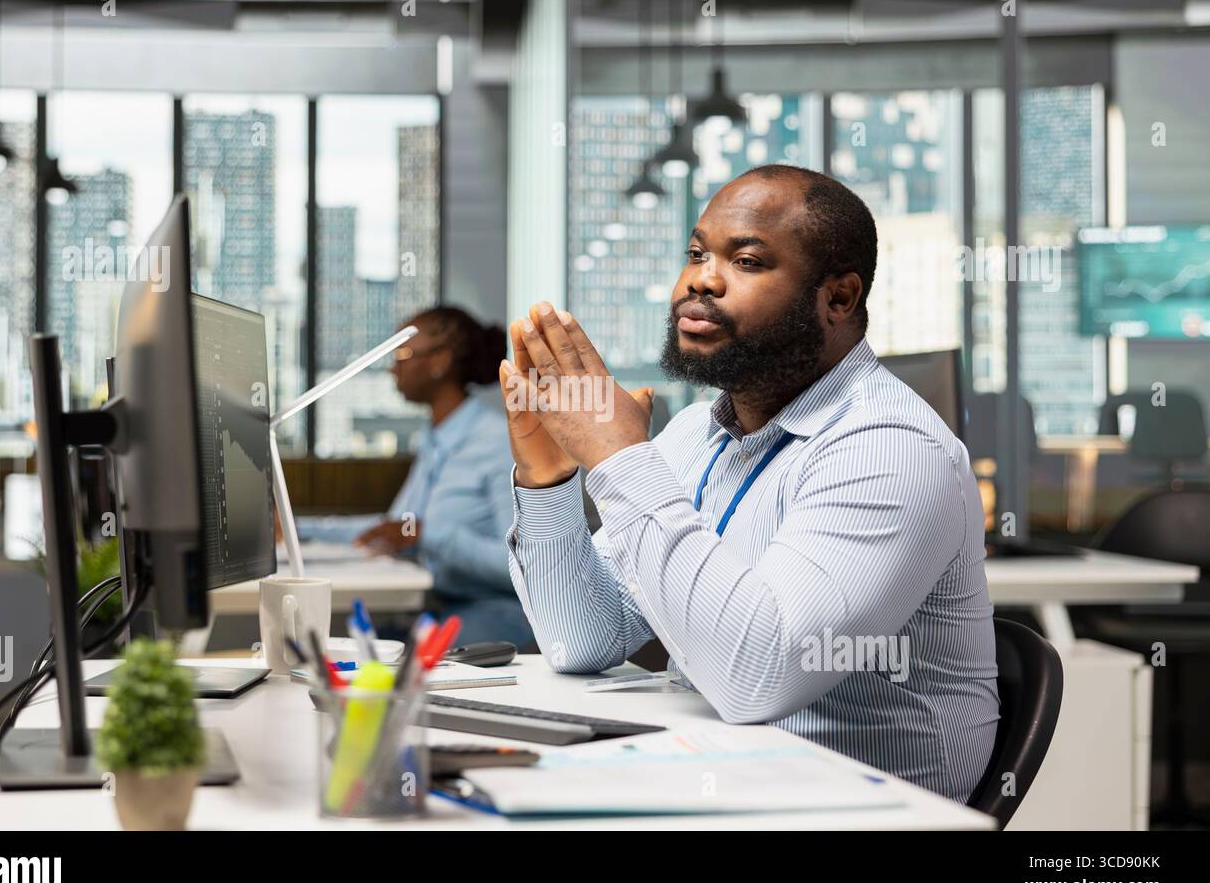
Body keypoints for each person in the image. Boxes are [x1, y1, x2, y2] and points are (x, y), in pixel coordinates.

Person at [498, 164, 998, 801]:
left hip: (849, 811)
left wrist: (620, 456)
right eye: (698, 252)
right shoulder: (693, 436)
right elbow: (583, 638)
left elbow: (758, 675)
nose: (702, 278)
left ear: (838, 299)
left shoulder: (889, 446)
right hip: (719, 779)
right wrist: (552, 477)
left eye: (749, 261)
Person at [298, 306, 534, 650]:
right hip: (435, 607)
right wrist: (299, 528)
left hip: (497, 610)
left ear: (441, 361)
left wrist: (425, 534)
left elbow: (521, 564)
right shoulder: (435, 439)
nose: (393, 368)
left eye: (403, 354)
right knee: (349, 650)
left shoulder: (497, 442)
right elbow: (393, 529)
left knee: (389, 662)